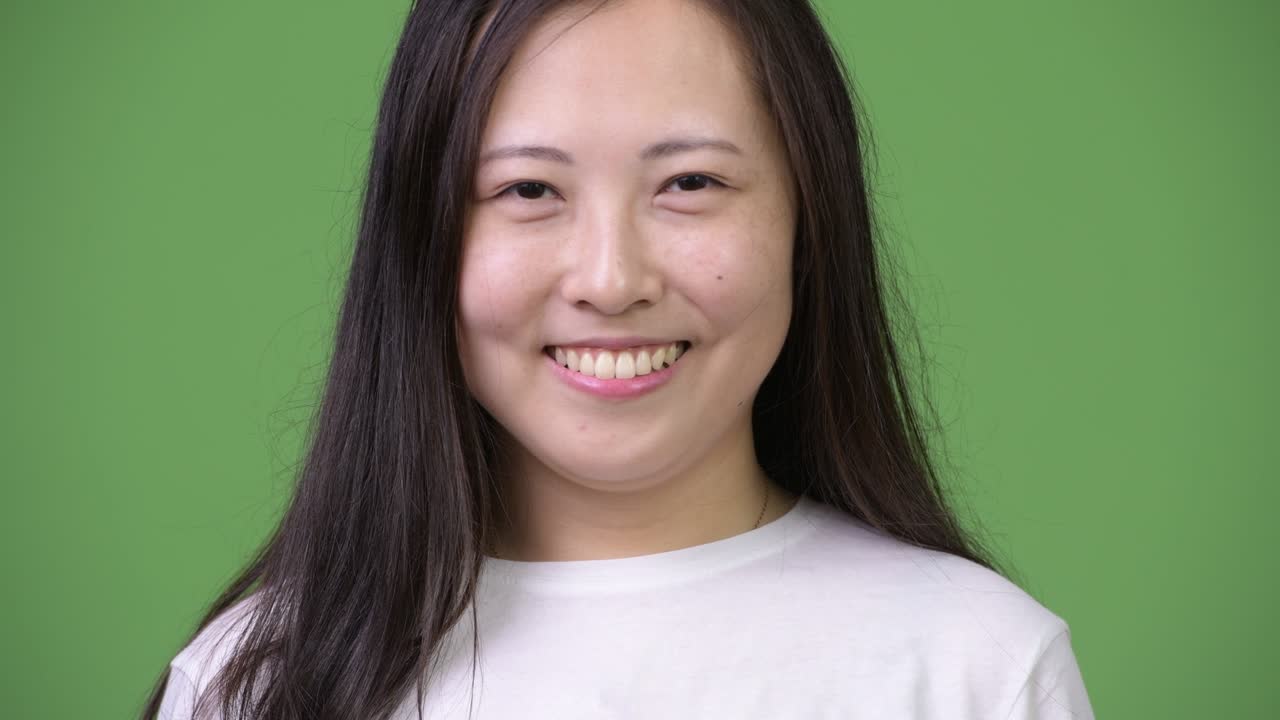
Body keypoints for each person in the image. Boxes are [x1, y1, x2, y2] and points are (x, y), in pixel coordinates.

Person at [144, 0, 1095, 718]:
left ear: (809, 224)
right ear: (419, 240)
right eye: (525, 189)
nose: (610, 279)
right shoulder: (251, 683)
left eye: (691, 183)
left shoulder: (980, 667)